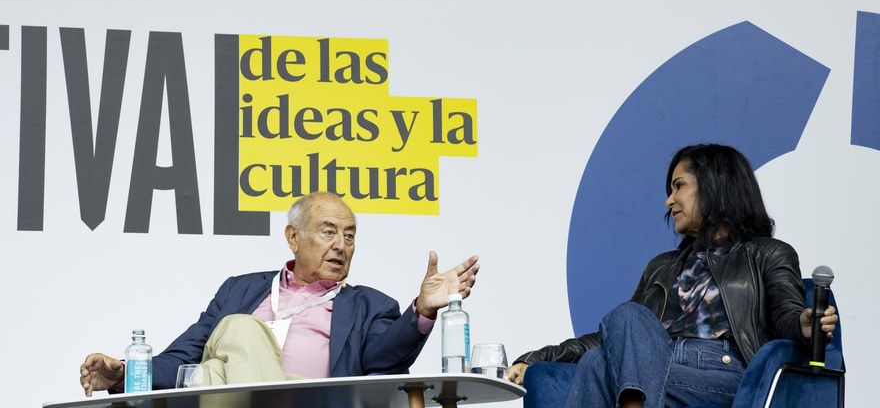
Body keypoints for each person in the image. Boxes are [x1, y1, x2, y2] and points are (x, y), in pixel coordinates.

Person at [507, 144, 838, 408]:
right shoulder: (662, 266)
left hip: (721, 370)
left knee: (609, 348)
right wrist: (536, 358)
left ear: (714, 187)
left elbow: (785, 315)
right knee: (603, 350)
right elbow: (615, 337)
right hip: (651, 363)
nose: (669, 200)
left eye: (679, 186)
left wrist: (803, 325)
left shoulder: (767, 253)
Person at [80, 192, 479, 395]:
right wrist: (121, 374)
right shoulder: (240, 290)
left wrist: (422, 309)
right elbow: (181, 359)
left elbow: (383, 359)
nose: (340, 245)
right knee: (213, 365)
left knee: (228, 347)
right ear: (293, 237)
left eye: (350, 235)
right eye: (328, 232)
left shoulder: (368, 305)